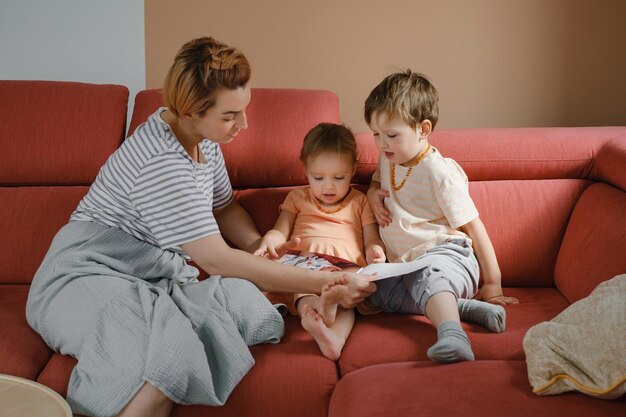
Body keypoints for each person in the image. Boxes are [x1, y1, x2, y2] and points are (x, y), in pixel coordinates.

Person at [25, 37, 375, 417]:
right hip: (84, 275)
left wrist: (262, 244)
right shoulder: (160, 162)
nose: (243, 124)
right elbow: (217, 259)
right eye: (229, 116)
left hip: (150, 277)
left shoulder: (200, 139)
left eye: (243, 110)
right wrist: (326, 282)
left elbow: (224, 208)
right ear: (190, 111)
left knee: (244, 304)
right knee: (165, 354)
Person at [363, 70, 519, 364]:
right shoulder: (390, 159)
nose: (382, 144)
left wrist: (493, 283)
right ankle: (462, 308)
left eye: (391, 135)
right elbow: (375, 183)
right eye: (375, 134)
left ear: (423, 129)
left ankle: (452, 335)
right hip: (405, 266)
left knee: (429, 275)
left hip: (447, 256)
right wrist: (372, 194)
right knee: (369, 292)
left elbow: (473, 226)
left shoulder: (438, 172)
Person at [254, 123, 386, 360]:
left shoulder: (361, 201)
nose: (328, 186)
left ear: (353, 169)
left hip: (344, 267)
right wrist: (268, 241)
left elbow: (371, 238)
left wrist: (375, 251)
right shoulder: (297, 198)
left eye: (338, 177)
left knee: (347, 301)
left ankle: (333, 338)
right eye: (318, 177)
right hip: (305, 265)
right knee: (304, 292)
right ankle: (318, 311)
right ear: (305, 169)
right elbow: (279, 231)